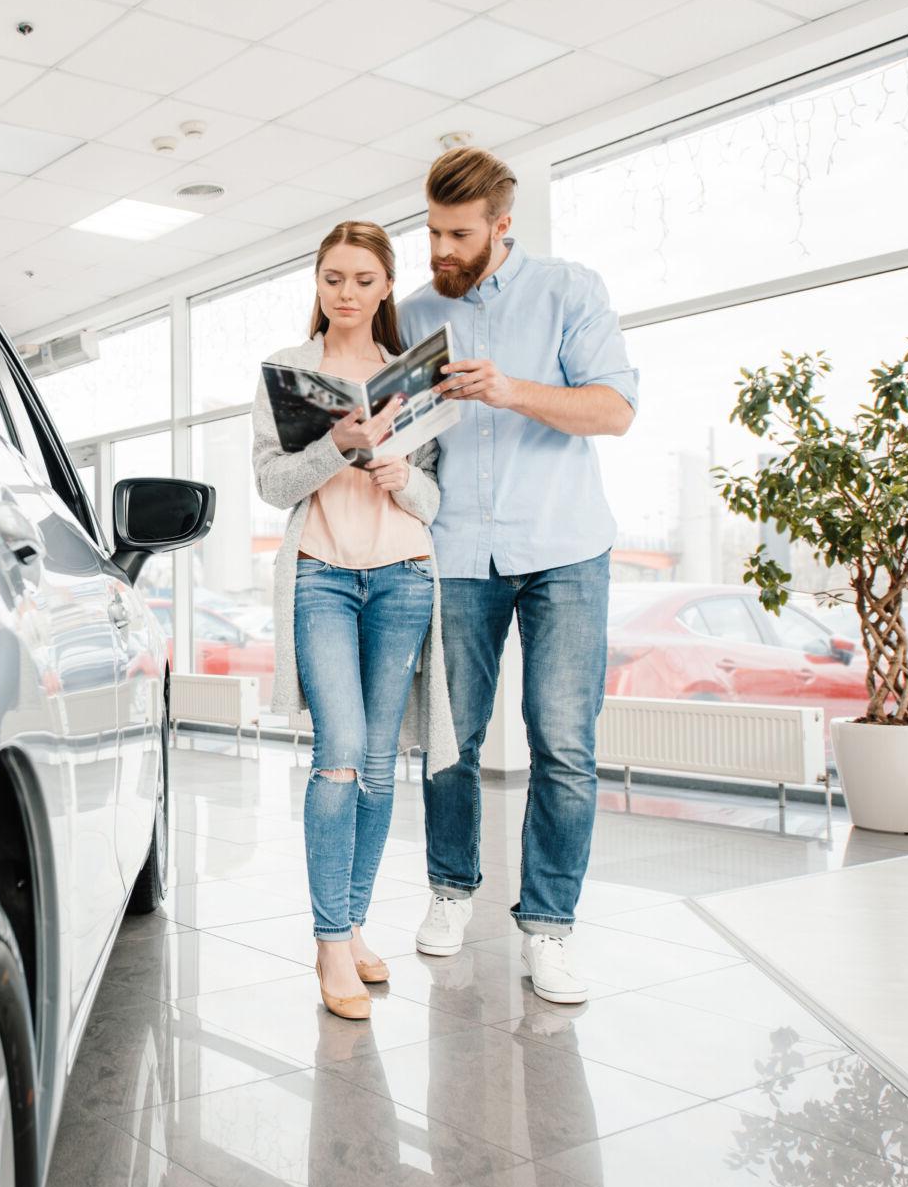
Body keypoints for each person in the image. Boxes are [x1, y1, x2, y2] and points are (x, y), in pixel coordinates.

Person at [398, 147, 639, 1004]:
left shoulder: (569, 290)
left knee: (563, 741)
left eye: (458, 234)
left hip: (564, 548)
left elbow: (613, 407)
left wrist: (511, 390)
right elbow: (402, 433)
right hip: (457, 546)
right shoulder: (416, 310)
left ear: (502, 227)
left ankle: (548, 928)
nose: (440, 250)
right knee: (448, 737)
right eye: (431, 230)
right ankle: (450, 892)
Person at [252, 220, 459, 1021]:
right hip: (322, 578)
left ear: (385, 287)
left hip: (403, 576)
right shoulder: (288, 372)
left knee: (378, 764)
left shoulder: (413, 376)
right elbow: (273, 486)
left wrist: (404, 472)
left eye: (363, 280)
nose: (346, 293)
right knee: (336, 754)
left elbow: (433, 502)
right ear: (317, 282)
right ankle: (330, 939)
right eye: (333, 278)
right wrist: (337, 447)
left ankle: (355, 925)